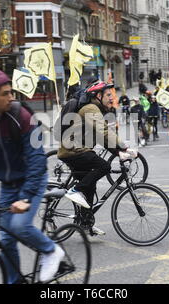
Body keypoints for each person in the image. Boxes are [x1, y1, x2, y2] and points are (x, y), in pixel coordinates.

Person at [0, 69, 64, 284]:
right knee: (5, 238)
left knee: (19, 226)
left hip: (32, 180)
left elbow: (37, 159)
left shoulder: (23, 117)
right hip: (8, 184)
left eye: (11, 92)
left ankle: (51, 250)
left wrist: (25, 197)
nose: (11, 97)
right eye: (5, 94)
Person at [58, 81, 135, 236]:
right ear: (98, 96)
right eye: (108, 95)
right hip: (73, 151)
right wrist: (124, 147)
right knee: (104, 167)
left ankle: (86, 224)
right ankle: (75, 190)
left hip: (78, 150)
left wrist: (118, 151)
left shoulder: (95, 109)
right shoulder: (90, 108)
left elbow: (101, 137)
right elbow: (105, 132)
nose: (111, 99)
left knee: (90, 187)